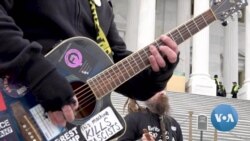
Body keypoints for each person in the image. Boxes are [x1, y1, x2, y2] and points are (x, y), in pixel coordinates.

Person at [0, 1, 179, 127]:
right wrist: (37, 72)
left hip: (66, 127)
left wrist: (156, 74)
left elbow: (115, 61)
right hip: (12, 99)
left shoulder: (102, 5)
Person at [118, 90, 183, 141]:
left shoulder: (174, 124)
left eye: (163, 89)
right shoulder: (132, 119)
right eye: (157, 89)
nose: (162, 92)